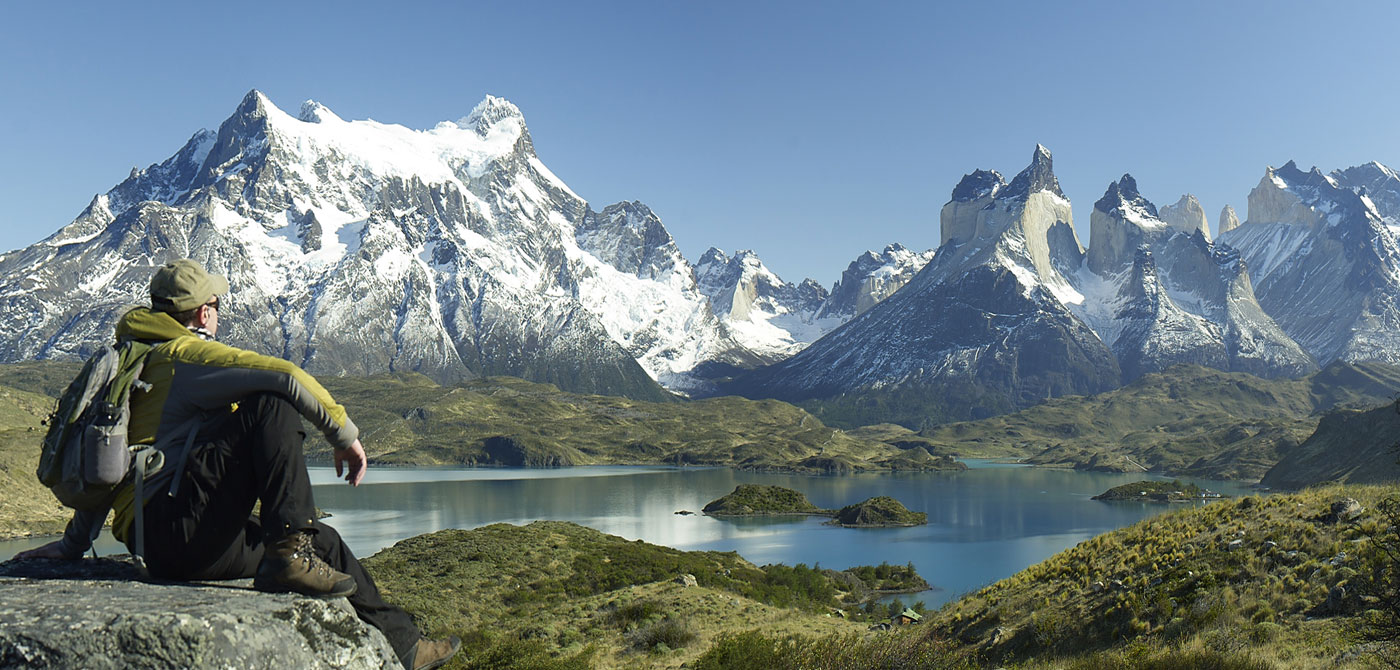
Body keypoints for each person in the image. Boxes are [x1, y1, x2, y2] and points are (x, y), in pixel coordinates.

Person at [17, 259, 459, 670]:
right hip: (181, 529)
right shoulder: (184, 357)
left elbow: (112, 464)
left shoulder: (131, 359)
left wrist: (73, 544)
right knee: (270, 405)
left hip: (157, 542)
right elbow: (285, 375)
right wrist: (344, 435)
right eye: (216, 303)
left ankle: (405, 647)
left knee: (324, 542)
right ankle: (288, 554)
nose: (218, 312)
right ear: (202, 313)